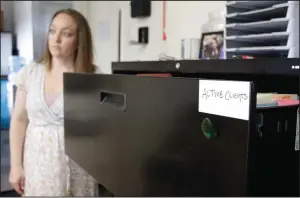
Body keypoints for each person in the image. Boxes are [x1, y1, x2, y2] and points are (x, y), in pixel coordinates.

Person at [9, 8, 100, 196]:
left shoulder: (92, 77)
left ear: (78, 42)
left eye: (66, 34)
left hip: (78, 167)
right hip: (38, 164)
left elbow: (101, 127)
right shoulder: (31, 73)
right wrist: (16, 165)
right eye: (52, 30)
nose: (56, 38)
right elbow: (19, 119)